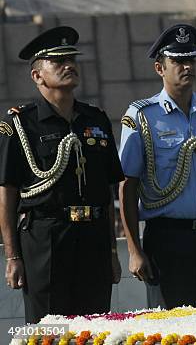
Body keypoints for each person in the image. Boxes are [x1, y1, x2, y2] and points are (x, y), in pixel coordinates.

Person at [0, 26, 123, 323]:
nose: (69, 66)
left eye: (72, 60)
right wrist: (13, 257)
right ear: (38, 76)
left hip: (92, 239)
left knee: (95, 329)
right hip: (46, 239)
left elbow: (107, 191)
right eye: (58, 62)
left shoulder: (96, 119)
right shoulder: (19, 124)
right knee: (49, 331)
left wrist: (111, 251)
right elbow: (8, 193)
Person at [118, 24, 196, 308]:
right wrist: (134, 250)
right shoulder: (141, 116)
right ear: (159, 68)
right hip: (167, 238)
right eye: (178, 61)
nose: (187, 67)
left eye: (191, 60)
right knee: (171, 327)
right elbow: (128, 185)